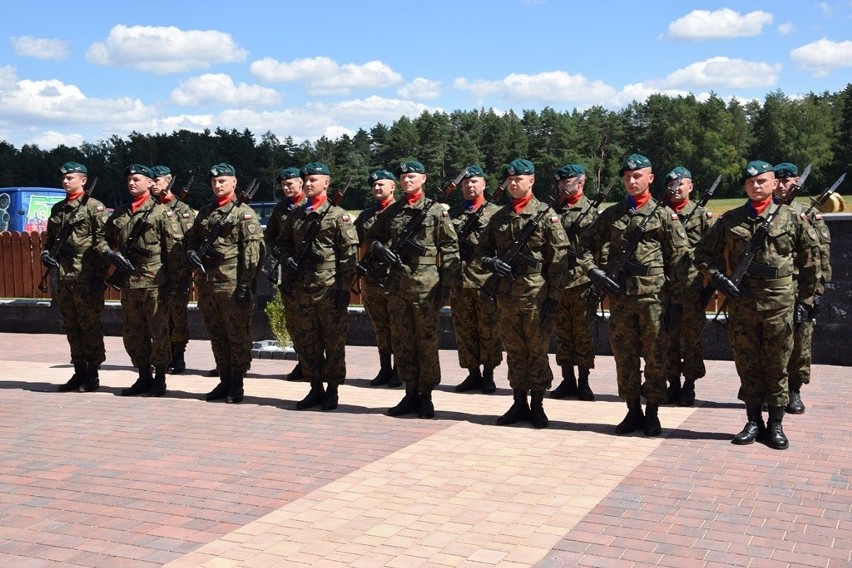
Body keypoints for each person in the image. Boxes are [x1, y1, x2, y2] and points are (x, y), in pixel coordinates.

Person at [695, 160, 819, 449]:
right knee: (747, 363)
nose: (756, 186)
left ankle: (775, 425)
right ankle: (753, 421)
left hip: (779, 303)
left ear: (775, 183)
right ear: (744, 187)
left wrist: (806, 301)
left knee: (777, 364)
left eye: (762, 181)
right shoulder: (730, 220)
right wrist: (718, 279)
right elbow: (702, 253)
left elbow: (810, 262)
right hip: (742, 304)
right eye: (750, 182)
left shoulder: (791, 218)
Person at [579, 153, 690, 436]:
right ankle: (632, 410)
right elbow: (583, 246)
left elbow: (680, 261)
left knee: (655, 357)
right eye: (627, 177)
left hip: (655, 300)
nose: (632, 181)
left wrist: (677, 301)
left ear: (650, 178)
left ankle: (652, 412)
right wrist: (594, 272)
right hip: (621, 300)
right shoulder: (612, 214)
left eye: (637, 176)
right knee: (624, 357)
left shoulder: (665, 215)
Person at [477, 159, 568, 428]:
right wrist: (491, 263)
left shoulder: (547, 215)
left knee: (537, 350)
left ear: (532, 181)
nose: (513, 183)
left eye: (519, 179)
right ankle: (518, 403)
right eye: (510, 180)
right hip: (506, 295)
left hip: (536, 295)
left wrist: (554, 298)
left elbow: (559, 259)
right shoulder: (499, 216)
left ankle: (537, 404)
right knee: (515, 351)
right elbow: (481, 251)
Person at [367, 160, 459, 418]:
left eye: (412, 176)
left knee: (426, 341)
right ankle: (409, 393)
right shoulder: (393, 211)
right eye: (403, 176)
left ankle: (426, 396)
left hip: (426, 286)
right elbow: (373, 236)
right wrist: (379, 248)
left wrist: (446, 285)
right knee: (403, 341)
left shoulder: (436, 211)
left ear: (424, 178)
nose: (407, 180)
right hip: (398, 286)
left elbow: (450, 248)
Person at [275, 162, 358, 411]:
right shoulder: (296, 213)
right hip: (301, 286)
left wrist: (344, 289)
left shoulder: (338, 215)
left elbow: (349, 255)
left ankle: (332, 389)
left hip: (329, 288)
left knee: (332, 340)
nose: (309, 184)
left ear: (326, 183)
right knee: (306, 339)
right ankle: (314, 387)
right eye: (306, 180)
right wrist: (286, 256)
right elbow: (281, 242)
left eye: (314, 180)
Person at [185, 163, 265, 403]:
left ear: (234, 183)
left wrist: (245, 285)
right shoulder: (206, 211)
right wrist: (191, 253)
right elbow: (192, 240)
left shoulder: (244, 213)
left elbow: (253, 253)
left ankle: (237, 383)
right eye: (214, 182)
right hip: (208, 284)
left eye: (222, 181)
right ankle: (224, 379)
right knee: (217, 334)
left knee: (237, 334)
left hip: (232, 285)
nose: (218, 185)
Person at [104, 164, 184, 397]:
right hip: (129, 284)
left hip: (155, 283)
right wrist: (111, 254)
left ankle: (159, 378)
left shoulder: (162, 212)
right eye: (129, 179)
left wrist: (172, 282)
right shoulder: (120, 213)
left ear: (150, 183)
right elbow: (102, 239)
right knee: (133, 333)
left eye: (137, 179)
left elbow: (175, 252)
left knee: (159, 332)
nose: (131, 183)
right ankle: (143, 376)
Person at [41, 161, 111, 392]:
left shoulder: (94, 207)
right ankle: (78, 371)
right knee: (71, 326)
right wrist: (46, 254)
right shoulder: (58, 209)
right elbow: (50, 241)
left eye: (70, 177)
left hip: (86, 278)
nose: (65, 181)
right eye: (63, 178)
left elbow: (103, 242)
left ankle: (92, 374)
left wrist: (97, 275)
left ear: (83, 180)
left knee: (89, 326)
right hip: (64, 278)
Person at [773, 162, 831, 415]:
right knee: (772, 344)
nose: (783, 185)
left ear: (797, 181)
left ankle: (794, 390)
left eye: (788, 180)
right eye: (779, 180)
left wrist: (816, 292)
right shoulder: (766, 212)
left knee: (800, 342)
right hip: (774, 289)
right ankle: (773, 391)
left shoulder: (808, 212)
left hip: (802, 288)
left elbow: (821, 254)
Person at [660, 166, 715, 407]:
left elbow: (714, 254)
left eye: (681, 183)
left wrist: (709, 289)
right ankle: (672, 383)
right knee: (667, 338)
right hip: (663, 288)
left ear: (690, 187)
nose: (676, 188)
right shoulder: (659, 214)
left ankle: (690, 384)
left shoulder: (702, 216)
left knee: (692, 340)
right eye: (672, 184)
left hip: (693, 289)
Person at [449, 165, 503, 394]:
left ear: (484, 184)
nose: (469, 186)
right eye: (465, 183)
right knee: (465, 329)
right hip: (460, 280)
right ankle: (472, 374)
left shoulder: (496, 213)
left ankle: (489, 375)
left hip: (485, 280)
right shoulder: (453, 214)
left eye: (474, 182)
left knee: (489, 329)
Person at [550, 164, 599, 402]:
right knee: (562, 333)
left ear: (581, 182)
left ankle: (584, 380)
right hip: (558, 282)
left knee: (582, 334)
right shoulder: (550, 211)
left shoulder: (591, 211)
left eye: (566, 181)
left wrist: (596, 279)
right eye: (560, 182)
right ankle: (567, 379)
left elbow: (601, 248)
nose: (562, 185)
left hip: (581, 282)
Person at [353, 168, 401, 388]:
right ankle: (385, 368)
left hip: (397, 278)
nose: (377, 188)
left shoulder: (403, 212)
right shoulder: (366, 215)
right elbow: (353, 240)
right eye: (374, 185)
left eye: (382, 184)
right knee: (380, 326)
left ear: (393, 186)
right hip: (373, 277)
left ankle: (400, 370)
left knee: (399, 325)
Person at [151, 165, 196, 374]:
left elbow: (189, 241)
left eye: (156, 180)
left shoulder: (183, 210)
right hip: (153, 272)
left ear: (168, 181)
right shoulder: (149, 208)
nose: (152, 184)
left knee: (177, 315)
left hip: (178, 273)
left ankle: (178, 356)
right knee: (158, 315)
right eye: (149, 180)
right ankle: (162, 354)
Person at [265, 166, 307, 382]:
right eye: (283, 184)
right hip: (290, 273)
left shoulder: (310, 205)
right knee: (294, 320)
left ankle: (317, 364)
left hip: (311, 273)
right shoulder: (281, 208)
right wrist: (278, 252)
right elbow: (271, 236)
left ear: (301, 182)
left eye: (290, 183)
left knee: (314, 322)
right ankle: (302, 361)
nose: (286, 187)